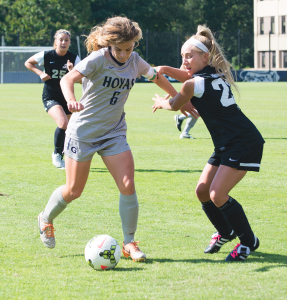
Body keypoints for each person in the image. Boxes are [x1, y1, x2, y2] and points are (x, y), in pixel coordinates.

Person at [37, 17, 187, 262]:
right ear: (109, 44)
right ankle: (45, 218)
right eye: (119, 49)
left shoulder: (135, 61)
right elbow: (67, 79)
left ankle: (129, 243)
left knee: (128, 184)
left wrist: (180, 99)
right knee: (74, 191)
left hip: (114, 132)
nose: (125, 54)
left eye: (130, 48)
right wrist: (71, 100)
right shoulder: (97, 59)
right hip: (83, 132)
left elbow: (157, 77)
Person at [152, 25, 265, 262]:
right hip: (227, 142)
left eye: (189, 56)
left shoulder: (193, 84)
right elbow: (187, 76)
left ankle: (248, 242)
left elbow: (175, 104)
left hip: (242, 141)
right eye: (182, 56)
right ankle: (226, 232)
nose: (184, 60)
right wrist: (167, 69)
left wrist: (161, 101)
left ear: (205, 56)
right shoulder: (215, 71)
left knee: (217, 194)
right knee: (203, 191)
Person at [25, 29, 81, 169]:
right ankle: (56, 155)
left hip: (67, 98)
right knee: (63, 123)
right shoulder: (46, 55)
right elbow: (28, 63)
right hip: (50, 96)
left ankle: (65, 155)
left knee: (69, 129)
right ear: (55, 41)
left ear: (69, 42)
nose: (63, 42)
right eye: (60, 39)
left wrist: (72, 71)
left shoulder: (74, 59)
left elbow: (82, 81)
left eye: (66, 40)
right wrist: (40, 73)